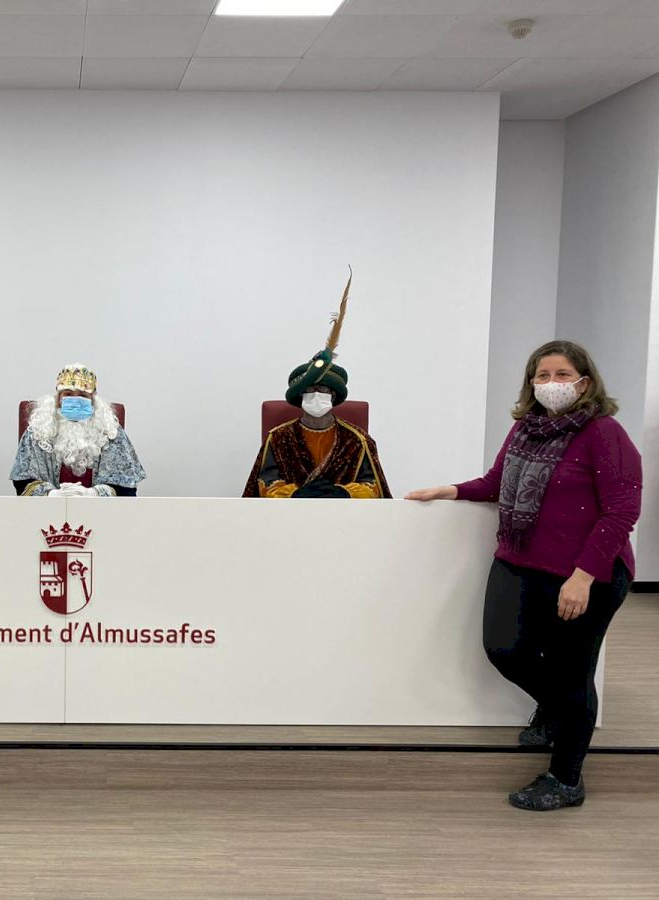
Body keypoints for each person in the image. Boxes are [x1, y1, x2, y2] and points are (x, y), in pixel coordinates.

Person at [407, 340, 642, 811]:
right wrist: (448, 490)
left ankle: (566, 778)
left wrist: (582, 578)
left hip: (585, 573)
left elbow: (621, 512)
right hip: (520, 560)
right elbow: (496, 483)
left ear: (585, 382)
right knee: (504, 649)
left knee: (573, 674)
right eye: (542, 375)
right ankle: (559, 711)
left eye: (562, 374)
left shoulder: (604, 433)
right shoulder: (525, 429)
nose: (551, 384)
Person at [243, 273, 390, 498]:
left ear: (334, 395)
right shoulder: (279, 438)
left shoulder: (357, 440)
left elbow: (372, 487)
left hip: (343, 516)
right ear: (299, 396)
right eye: (309, 390)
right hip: (289, 514)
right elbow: (265, 483)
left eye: (322, 390)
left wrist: (342, 493)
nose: (316, 394)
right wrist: (294, 495)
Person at [11, 364, 145, 497]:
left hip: (99, 509)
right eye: (68, 394)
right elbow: (23, 483)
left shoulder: (110, 431)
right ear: (58, 400)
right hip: (47, 509)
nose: (75, 400)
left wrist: (94, 494)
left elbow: (125, 487)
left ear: (93, 400)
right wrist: (52, 495)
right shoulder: (38, 430)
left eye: (83, 395)